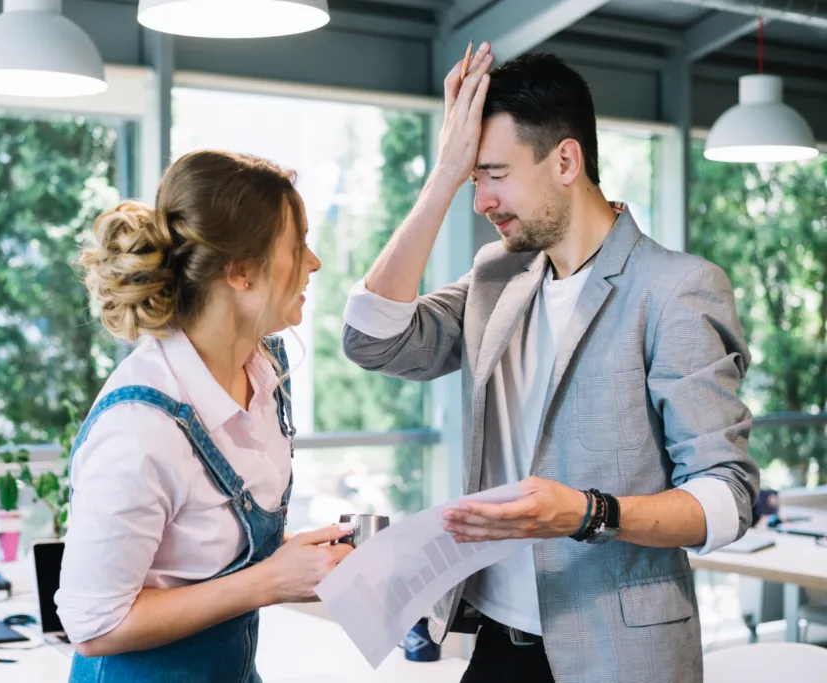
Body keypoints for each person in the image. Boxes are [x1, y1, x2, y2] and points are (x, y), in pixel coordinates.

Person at [341, 45, 759, 683]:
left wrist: (590, 513)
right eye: (472, 177)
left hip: (619, 654)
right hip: (498, 642)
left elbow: (726, 497)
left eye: (494, 173)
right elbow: (372, 339)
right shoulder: (496, 277)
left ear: (566, 159)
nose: (481, 200)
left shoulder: (673, 288)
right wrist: (442, 176)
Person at [56, 149, 352, 682]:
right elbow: (93, 624)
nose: (314, 262)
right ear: (239, 272)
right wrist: (269, 581)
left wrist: (301, 558)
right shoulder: (139, 430)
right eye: (297, 245)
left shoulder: (265, 369)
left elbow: (205, 552)